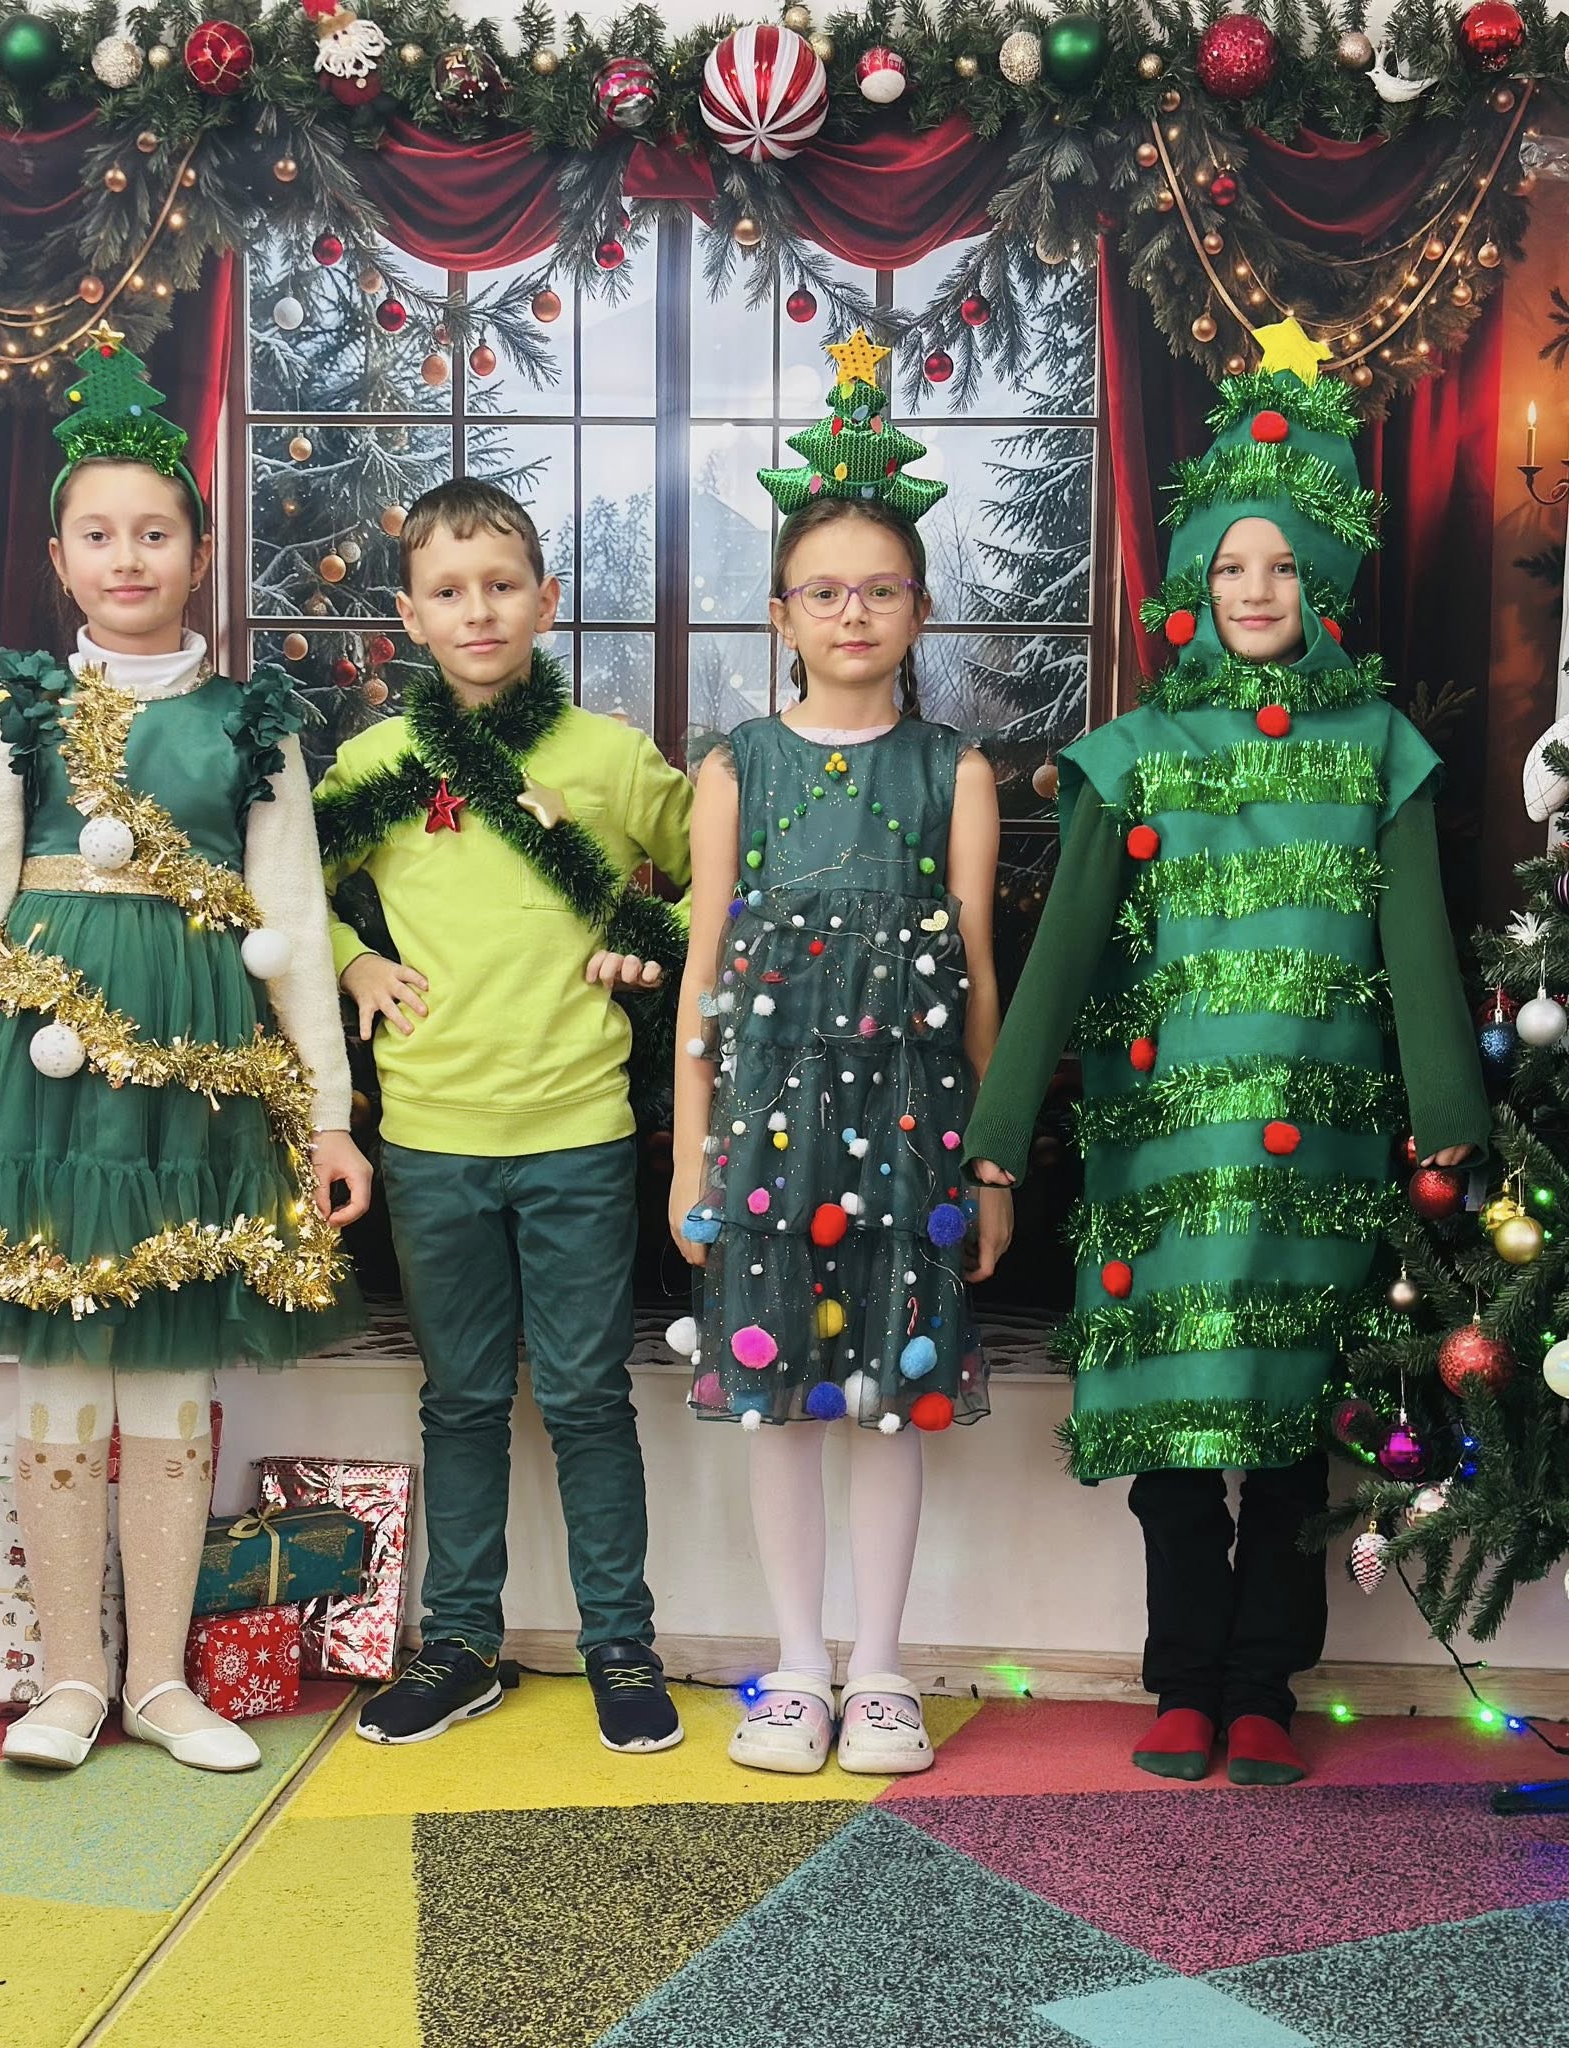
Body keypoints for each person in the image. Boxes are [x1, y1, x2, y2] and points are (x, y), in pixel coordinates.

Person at [965, 324, 1488, 1786]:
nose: (1255, 590)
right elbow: (1064, 948)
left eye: (1281, 566)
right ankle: (1183, 1678)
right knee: (1180, 1425)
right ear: (1195, 583)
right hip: (1168, 1147)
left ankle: (1265, 1684)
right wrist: (999, 1129)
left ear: (1320, 582)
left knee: (1290, 1423)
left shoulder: (1377, 746)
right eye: (1230, 566)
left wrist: (1445, 1097)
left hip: (1323, 1147)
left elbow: (1415, 936)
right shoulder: (1133, 752)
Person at [0, 323, 370, 1773]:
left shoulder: (251, 720)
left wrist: (329, 1117)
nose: (128, 556)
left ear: (199, 554)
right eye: (99, 533)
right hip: (35, 1098)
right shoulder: (17, 711)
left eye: (156, 532)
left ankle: (159, 1678)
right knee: (58, 1375)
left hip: (194, 1095)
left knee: (166, 1375)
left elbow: (294, 915)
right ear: (59, 554)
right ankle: (69, 1677)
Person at [672, 331, 1009, 1777]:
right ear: (782, 614)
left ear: (919, 609)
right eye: (825, 590)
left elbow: (980, 976)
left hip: (914, 1137)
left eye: (880, 589)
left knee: (887, 1403)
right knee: (783, 1406)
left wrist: (988, 1168)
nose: (853, 611)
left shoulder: (956, 771)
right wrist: (688, 1153)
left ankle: (880, 1669)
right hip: (763, 1136)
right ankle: (797, 1666)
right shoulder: (735, 765)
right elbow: (703, 973)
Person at [314, 477, 693, 1752]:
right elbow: (288, 889)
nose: (478, 610)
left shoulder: (609, 758)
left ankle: (621, 1643)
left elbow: (724, 880)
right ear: (410, 616)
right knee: (463, 1398)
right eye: (448, 590)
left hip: (580, 1131)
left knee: (587, 1396)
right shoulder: (376, 765)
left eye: (501, 584)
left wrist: (649, 941)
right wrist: (354, 959)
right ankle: (461, 1644)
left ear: (546, 599)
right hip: (432, 1137)